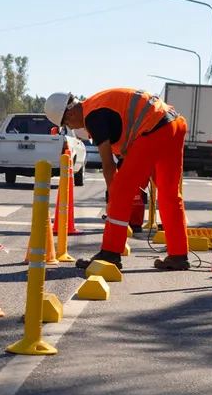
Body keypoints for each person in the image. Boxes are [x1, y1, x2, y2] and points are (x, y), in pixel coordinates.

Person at [45, 88, 189, 272]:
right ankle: (178, 255)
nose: (71, 128)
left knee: (120, 191)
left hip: (154, 128)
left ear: (71, 113)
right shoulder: (98, 104)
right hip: (174, 124)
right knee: (169, 194)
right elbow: (126, 150)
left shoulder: (93, 116)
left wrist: (113, 198)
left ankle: (110, 254)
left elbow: (108, 165)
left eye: (66, 123)